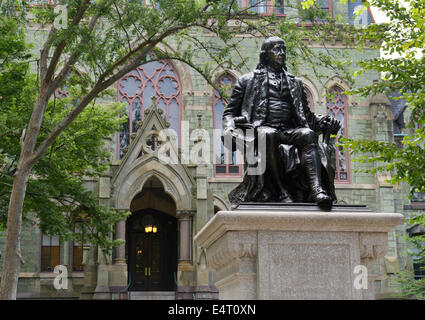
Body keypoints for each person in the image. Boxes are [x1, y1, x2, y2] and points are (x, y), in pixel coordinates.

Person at [223, 36, 341, 208]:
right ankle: (281, 191)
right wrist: (230, 129)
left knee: (307, 134)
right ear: (265, 55)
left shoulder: (295, 83)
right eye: (277, 49)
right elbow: (229, 113)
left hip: (290, 130)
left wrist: (324, 121)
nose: (282, 53)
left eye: (284, 49)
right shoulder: (248, 81)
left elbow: (306, 117)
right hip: (263, 129)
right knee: (267, 135)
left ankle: (317, 190)